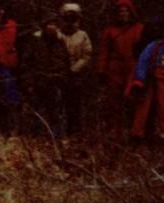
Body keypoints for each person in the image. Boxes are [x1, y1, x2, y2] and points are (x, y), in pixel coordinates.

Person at [96, 0, 144, 140]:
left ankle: (134, 133)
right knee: (114, 102)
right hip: (114, 69)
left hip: (133, 68)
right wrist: (101, 70)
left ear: (131, 13)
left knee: (133, 101)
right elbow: (104, 51)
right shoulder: (110, 31)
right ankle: (115, 133)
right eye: (120, 11)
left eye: (126, 11)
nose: (123, 14)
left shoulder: (140, 28)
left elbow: (146, 50)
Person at [21, 12, 71, 137]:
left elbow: (66, 63)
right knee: (37, 112)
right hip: (38, 82)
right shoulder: (35, 42)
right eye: (49, 24)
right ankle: (36, 136)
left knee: (56, 112)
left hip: (55, 82)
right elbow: (26, 64)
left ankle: (57, 137)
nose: (51, 27)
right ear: (44, 26)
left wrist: (62, 78)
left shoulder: (60, 43)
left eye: (54, 24)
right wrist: (29, 83)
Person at [57, 3, 93, 136]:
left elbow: (87, 55)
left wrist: (75, 68)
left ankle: (75, 132)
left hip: (76, 75)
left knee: (75, 104)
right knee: (59, 105)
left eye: (73, 17)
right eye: (67, 17)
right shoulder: (57, 34)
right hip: (58, 75)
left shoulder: (82, 35)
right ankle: (60, 132)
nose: (70, 20)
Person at [126, 22, 164, 141]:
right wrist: (139, 79)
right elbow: (143, 61)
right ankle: (137, 133)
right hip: (152, 80)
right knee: (143, 106)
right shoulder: (155, 45)